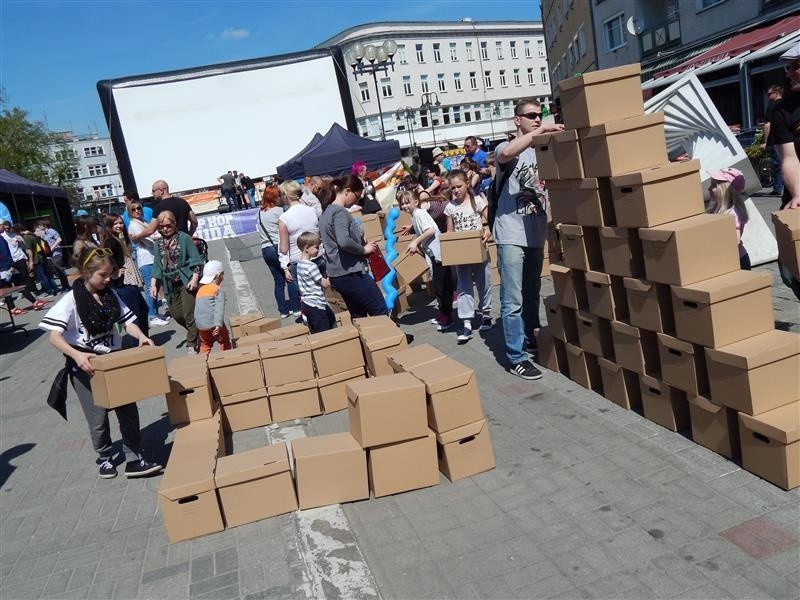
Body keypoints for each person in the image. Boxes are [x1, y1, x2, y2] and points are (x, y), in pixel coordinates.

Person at [39, 246, 162, 479]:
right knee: (98, 417)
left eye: (110, 274)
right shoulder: (71, 300)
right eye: (102, 275)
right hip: (85, 366)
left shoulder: (110, 295)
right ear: (86, 272)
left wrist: (142, 337)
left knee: (128, 410)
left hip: (113, 361)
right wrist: (77, 355)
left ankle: (133, 457)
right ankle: (105, 457)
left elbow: (128, 322)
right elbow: (53, 336)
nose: (108, 279)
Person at [493, 97, 564, 380]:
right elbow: (506, 153)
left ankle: (531, 336)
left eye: (540, 115)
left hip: (535, 233)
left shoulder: (543, 150)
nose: (537, 119)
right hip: (510, 232)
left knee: (532, 293)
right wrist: (540, 132)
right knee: (512, 300)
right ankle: (516, 356)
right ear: (517, 120)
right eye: (531, 115)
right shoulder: (506, 146)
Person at [318, 176, 387, 318]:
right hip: (351, 272)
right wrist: (363, 249)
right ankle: (391, 338)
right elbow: (343, 241)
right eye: (357, 196)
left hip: (337, 274)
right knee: (379, 309)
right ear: (347, 191)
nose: (357, 201)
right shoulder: (340, 212)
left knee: (358, 315)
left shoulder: (325, 213)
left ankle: (368, 340)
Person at [444, 169, 492, 343]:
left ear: (467, 184)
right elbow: (449, 232)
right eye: (453, 188)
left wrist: (488, 231)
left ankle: (486, 314)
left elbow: (490, 220)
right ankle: (466, 321)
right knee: (464, 286)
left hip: (479, 249)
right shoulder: (450, 207)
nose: (456, 190)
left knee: (484, 281)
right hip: (461, 253)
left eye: (459, 186)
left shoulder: (476, 201)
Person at [399, 188, 454, 330]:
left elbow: (430, 230)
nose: (405, 206)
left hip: (438, 255)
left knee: (442, 287)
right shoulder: (416, 215)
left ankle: (447, 317)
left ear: (415, 202)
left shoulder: (419, 213)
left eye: (407, 202)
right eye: (402, 204)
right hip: (434, 255)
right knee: (438, 286)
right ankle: (443, 313)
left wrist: (415, 242)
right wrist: (412, 230)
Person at [150, 211, 204, 353]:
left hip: (186, 280)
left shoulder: (184, 238)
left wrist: (194, 278)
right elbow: (157, 265)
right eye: (161, 227)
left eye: (168, 225)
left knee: (188, 313)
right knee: (177, 315)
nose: (165, 229)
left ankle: (192, 344)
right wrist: (153, 285)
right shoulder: (158, 243)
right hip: (169, 284)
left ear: (174, 224)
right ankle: (198, 332)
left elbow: (196, 260)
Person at [772, 41, 800, 300]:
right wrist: (797, 194)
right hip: (797, 199)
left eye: (795, 66)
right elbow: (789, 158)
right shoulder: (783, 110)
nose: (789, 73)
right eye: (788, 68)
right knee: (792, 273)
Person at [101, 214, 150, 336]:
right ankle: (139, 343)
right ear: (109, 226)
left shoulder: (119, 239)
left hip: (128, 282)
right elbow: (104, 258)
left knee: (142, 310)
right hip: (123, 284)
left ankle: (143, 340)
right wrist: (113, 273)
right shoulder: (111, 241)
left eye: (120, 222)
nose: (119, 225)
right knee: (135, 316)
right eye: (115, 223)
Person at [127, 201, 169, 327]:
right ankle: (151, 315)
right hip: (146, 259)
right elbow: (148, 241)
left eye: (139, 208)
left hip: (152, 257)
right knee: (150, 287)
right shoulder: (134, 225)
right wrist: (156, 239)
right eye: (133, 209)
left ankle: (155, 313)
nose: (137, 211)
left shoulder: (144, 221)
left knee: (156, 286)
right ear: (130, 211)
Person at [259, 185, 298, 318]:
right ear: (274, 197)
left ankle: (283, 311)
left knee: (278, 281)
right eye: (279, 195)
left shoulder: (260, 212)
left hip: (265, 249)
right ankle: (295, 307)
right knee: (290, 277)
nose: (281, 197)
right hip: (277, 247)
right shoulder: (279, 211)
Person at [278, 180, 318, 307]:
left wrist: (285, 267)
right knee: (322, 294)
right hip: (317, 256)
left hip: (299, 261)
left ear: (286, 195)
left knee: (309, 299)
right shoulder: (312, 210)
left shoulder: (284, 218)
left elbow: (284, 248)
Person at [707, 168, 751, 270]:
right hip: (725, 258)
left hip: (737, 261)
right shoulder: (716, 209)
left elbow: (735, 241)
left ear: (726, 190)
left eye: (714, 185)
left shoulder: (734, 213)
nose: (709, 188)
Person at [130, 180, 197, 241]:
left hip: (171, 244)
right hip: (185, 240)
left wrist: (136, 237)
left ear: (162, 191)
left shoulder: (159, 208)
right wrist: (189, 235)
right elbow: (194, 222)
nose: (152, 193)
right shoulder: (183, 202)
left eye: (153, 191)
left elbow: (150, 230)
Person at [296, 231, 336, 333]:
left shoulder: (299, 264)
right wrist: (329, 277)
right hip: (316, 304)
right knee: (325, 331)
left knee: (318, 328)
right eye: (316, 247)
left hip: (306, 302)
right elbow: (324, 284)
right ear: (306, 248)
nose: (318, 249)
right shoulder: (312, 266)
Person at [2, 221, 47, 311]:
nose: (7, 229)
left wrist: (29, 261)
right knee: (8, 286)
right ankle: (13, 307)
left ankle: (33, 301)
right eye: (5, 228)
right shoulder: (2, 237)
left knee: (22, 283)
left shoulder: (15, 234)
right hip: (9, 262)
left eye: (8, 228)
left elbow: (27, 243)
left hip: (19, 260)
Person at [194, 260, 231, 354]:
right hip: (214, 323)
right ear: (218, 275)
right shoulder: (218, 290)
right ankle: (226, 358)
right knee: (224, 341)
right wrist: (218, 325)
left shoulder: (200, 290)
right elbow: (219, 309)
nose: (223, 277)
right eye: (223, 274)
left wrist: (199, 325)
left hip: (201, 326)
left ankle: (203, 363)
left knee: (205, 344)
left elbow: (198, 309)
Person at [761, 84, 784, 196]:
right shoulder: (786, 104)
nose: (767, 96)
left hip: (775, 140)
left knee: (777, 164)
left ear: (776, 93)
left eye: (769, 94)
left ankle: (778, 188)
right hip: (787, 139)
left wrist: (764, 141)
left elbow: (767, 125)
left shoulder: (772, 106)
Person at [23, 224, 58, 297]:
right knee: (48, 274)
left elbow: (29, 251)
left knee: (42, 277)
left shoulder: (27, 237)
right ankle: (55, 289)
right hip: (43, 257)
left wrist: (31, 261)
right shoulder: (34, 235)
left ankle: (50, 291)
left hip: (36, 259)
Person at [35, 220, 70, 292]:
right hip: (50, 255)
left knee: (60, 269)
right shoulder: (44, 233)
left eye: (40, 225)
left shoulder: (51, 231)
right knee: (57, 271)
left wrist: (52, 247)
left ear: (44, 225)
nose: (39, 227)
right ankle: (64, 286)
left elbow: (59, 239)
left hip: (56, 253)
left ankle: (66, 286)